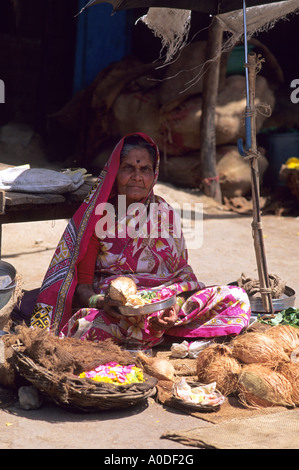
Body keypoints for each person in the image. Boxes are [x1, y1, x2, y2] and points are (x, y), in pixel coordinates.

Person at [31, 132, 251, 348]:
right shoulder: (97, 218)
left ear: (153, 174)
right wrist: (103, 303)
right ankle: (159, 332)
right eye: (128, 168)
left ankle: (165, 326)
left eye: (144, 169)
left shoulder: (163, 212)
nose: (137, 176)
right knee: (92, 324)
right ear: (115, 172)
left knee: (237, 297)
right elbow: (82, 289)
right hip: (120, 311)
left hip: (165, 304)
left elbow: (182, 276)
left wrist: (176, 305)